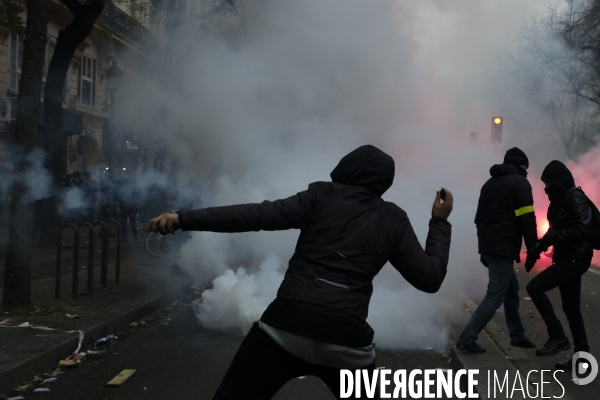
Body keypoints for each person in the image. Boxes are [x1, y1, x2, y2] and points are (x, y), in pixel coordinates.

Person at [148, 145, 453, 400]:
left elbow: (254, 215)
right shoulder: (393, 220)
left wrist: (182, 218)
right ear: (384, 183)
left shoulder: (317, 198)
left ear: (343, 168)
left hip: (285, 328)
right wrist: (439, 221)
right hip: (346, 340)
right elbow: (429, 277)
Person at [456, 147, 538, 353]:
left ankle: (517, 335)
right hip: (503, 247)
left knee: (511, 290)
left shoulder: (489, 184)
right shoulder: (520, 183)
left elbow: (479, 219)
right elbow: (526, 218)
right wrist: (533, 248)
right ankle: (467, 338)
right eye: (525, 167)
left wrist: (483, 249)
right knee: (495, 295)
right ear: (521, 165)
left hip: (491, 245)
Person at [525, 161, 593, 367]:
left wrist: (554, 236)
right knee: (571, 309)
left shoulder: (575, 197)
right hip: (567, 257)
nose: (546, 188)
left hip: (576, 258)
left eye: (549, 183)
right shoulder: (559, 201)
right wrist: (536, 248)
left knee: (534, 288)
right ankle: (582, 360)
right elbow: (553, 231)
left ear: (559, 182)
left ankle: (557, 336)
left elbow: (583, 229)